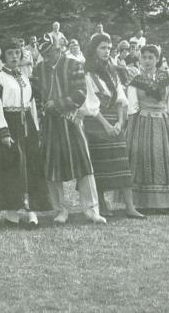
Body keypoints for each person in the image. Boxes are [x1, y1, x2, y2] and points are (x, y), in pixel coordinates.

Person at [31, 39, 105, 224]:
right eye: (45, 55)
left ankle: (91, 210)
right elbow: (35, 95)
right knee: (52, 167)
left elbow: (80, 93)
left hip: (72, 122)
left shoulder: (74, 65)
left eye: (51, 53)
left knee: (84, 166)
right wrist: (42, 112)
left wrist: (57, 103)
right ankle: (60, 210)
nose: (48, 58)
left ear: (59, 49)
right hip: (50, 124)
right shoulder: (38, 69)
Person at [0, 40, 51, 227]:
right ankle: (12, 214)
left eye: (17, 53)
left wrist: (36, 131)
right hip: (9, 124)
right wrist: (4, 132)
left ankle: (32, 213)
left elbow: (31, 104)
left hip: (27, 126)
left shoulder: (25, 77)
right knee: (12, 167)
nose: (15, 57)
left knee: (31, 166)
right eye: (10, 54)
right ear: (4, 57)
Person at [83, 34, 145, 219]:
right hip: (97, 122)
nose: (106, 51)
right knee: (100, 164)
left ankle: (130, 206)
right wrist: (106, 125)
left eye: (109, 48)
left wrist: (119, 122)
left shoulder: (112, 71)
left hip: (114, 121)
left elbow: (120, 99)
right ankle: (102, 204)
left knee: (122, 163)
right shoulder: (87, 73)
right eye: (102, 47)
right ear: (94, 49)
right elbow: (90, 104)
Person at [126, 45, 169, 212]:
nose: (147, 61)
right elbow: (132, 107)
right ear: (140, 59)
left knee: (167, 158)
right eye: (144, 57)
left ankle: (167, 202)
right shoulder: (135, 81)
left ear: (157, 59)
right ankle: (145, 202)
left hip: (163, 121)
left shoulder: (166, 80)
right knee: (145, 159)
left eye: (151, 57)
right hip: (143, 121)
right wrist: (130, 130)